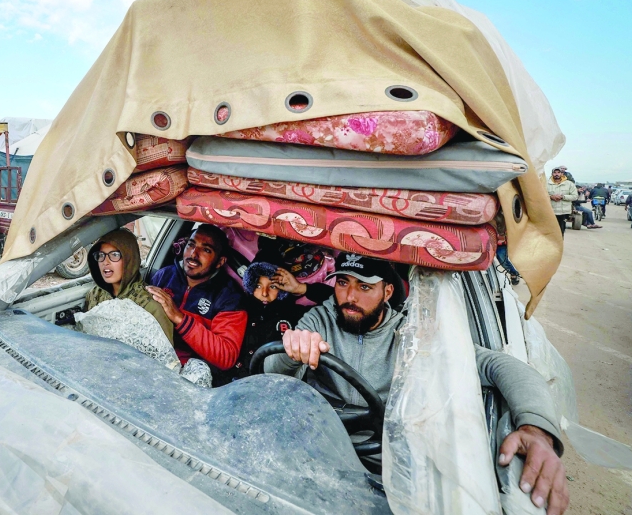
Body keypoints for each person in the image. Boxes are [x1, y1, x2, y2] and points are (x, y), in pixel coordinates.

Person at [267, 253, 569, 514]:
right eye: (343, 283)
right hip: (314, 450)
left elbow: (501, 366)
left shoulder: (413, 335)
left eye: (364, 286)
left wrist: (536, 428)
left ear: (387, 292)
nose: (350, 297)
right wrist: (292, 350)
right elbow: (271, 373)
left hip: (386, 466)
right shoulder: (319, 319)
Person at [148, 224, 247, 383]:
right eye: (191, 245)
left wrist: (179, 318)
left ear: (220, 261)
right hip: (151, 362)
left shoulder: (229, 296)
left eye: (206, 250)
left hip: (191, 378)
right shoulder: (164, 275)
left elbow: (226, 356)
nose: (193, 254)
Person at [229, 262, 335, 380]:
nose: (264, 293)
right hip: (237, 383)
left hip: (277, 383)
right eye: (258, 286)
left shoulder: (293, 313)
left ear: (282, 289)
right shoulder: (238, 310)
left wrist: (301, 288)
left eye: (272, 286)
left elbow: (338, 304)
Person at [85, 229, 173, 343]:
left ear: (130, 260)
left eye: (115, 255)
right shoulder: (94, 295)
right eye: (101, 255)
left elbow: (164, 352)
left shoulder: (150, 306)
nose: (105, 262)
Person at [547, 167, 578, 235]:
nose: (556, 174)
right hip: (550, 212)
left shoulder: (569, 184)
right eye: (555, 172)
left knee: (561, 231)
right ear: (552, 174)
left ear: (562, 174)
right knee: (550, 232)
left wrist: (563, 197)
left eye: (558, 172)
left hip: (563, 212)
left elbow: (575, 196)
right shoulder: (546, 184)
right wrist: (551, 197)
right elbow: (541, 195)